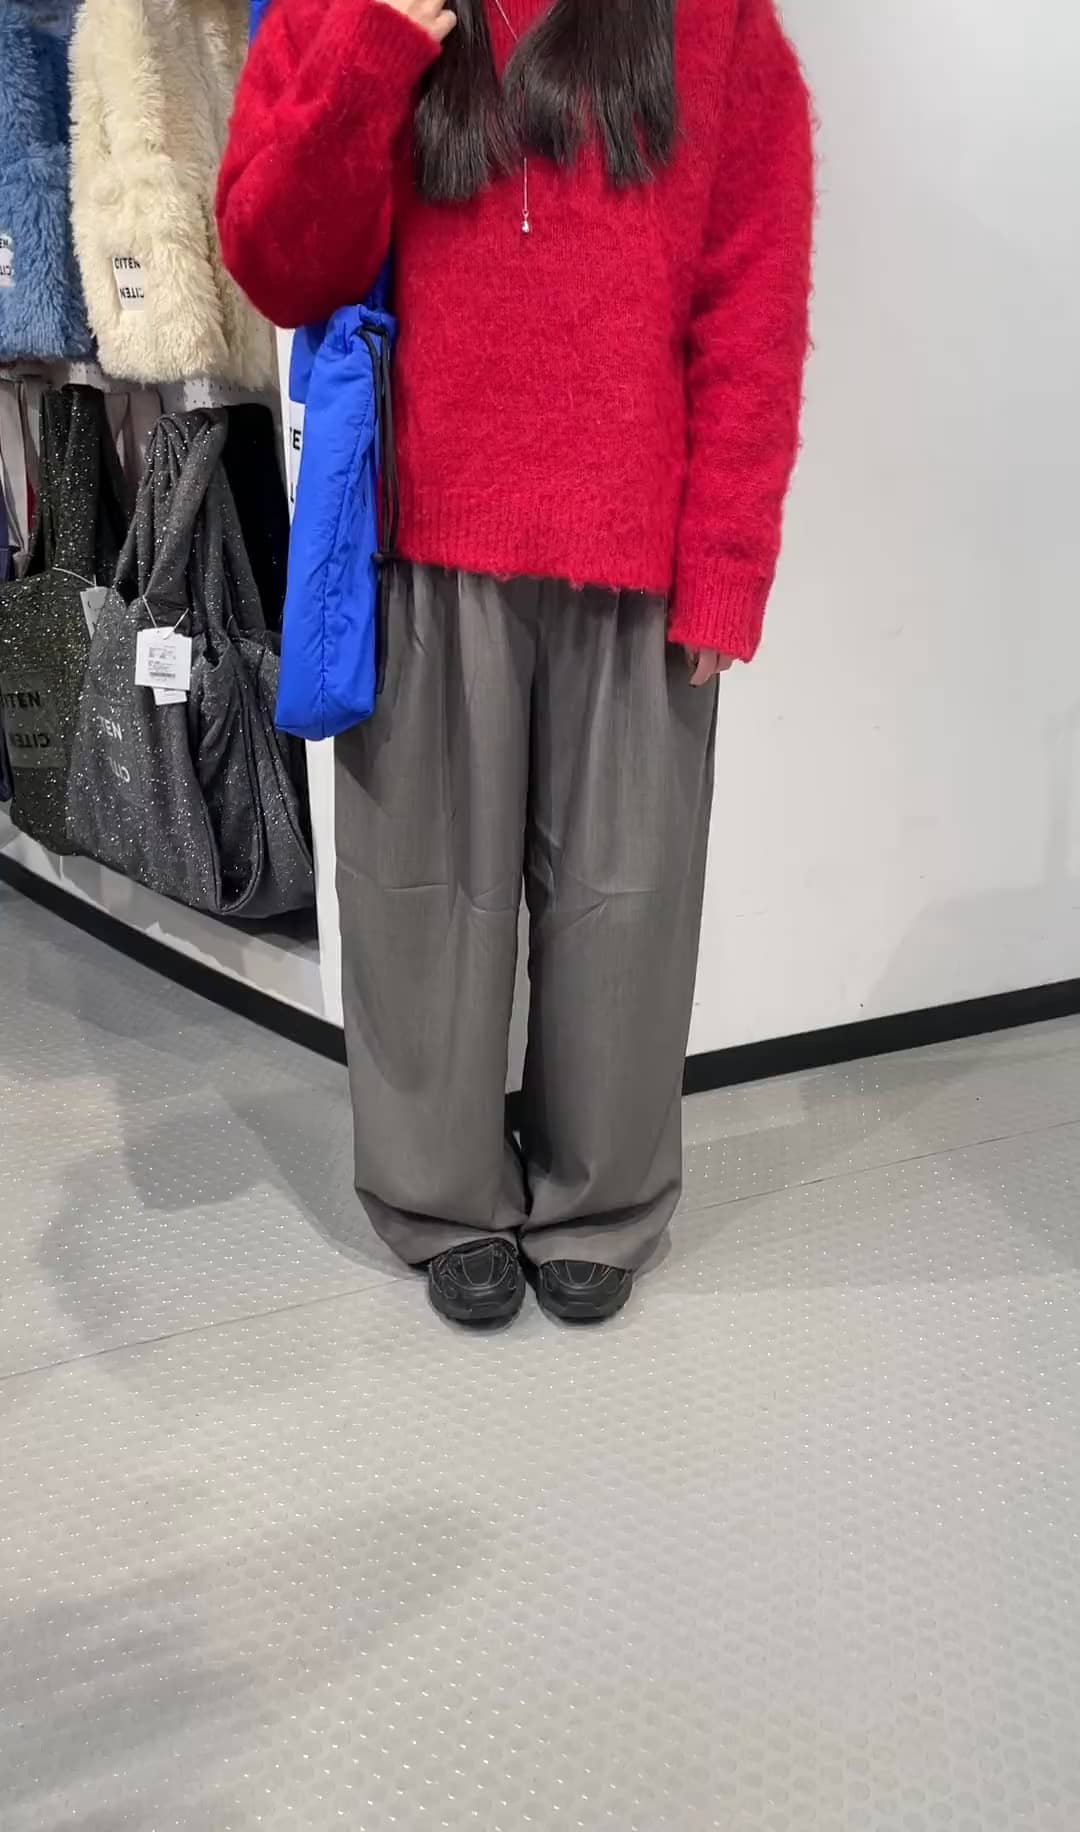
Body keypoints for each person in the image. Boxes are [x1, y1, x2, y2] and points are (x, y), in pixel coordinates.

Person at [218, 0, 813, 1328]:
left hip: (637, 552)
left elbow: (752, 299)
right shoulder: (346, 6)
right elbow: (274, 261)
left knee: (628, 897)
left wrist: (727, 561)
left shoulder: (717, 23)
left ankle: (603, 1199)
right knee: (419, 895)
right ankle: (440, 1199)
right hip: (419, 541)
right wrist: (373, 47)